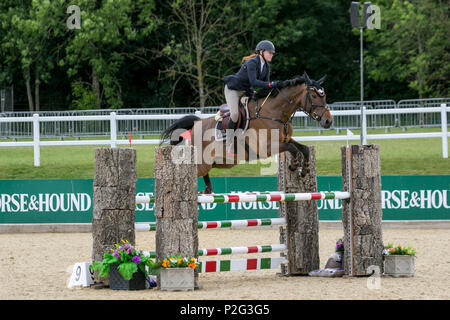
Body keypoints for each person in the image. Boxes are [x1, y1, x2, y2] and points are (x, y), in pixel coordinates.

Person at [223, 40, 278, 153]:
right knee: (234, 114)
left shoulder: (267, 66)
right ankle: (228, 142)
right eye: (270, 52)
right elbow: (254, 82)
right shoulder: (252, 62)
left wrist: (275, 89)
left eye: (272, 53)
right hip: (233, 90)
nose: (272, 55)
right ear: (261, 52)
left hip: (246, 91)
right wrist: (270, 84)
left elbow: (265, 85)